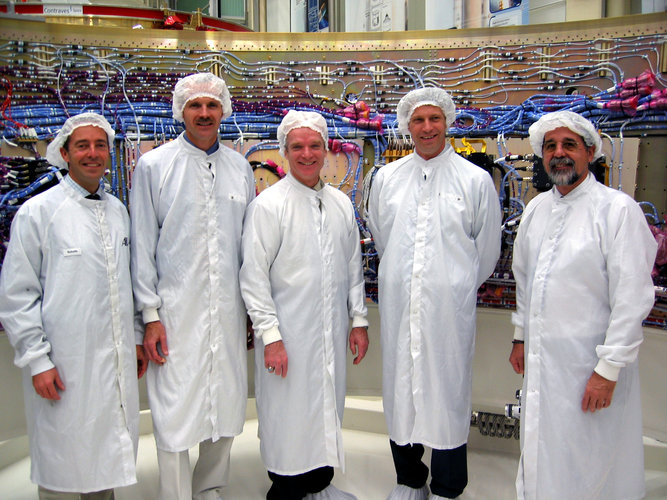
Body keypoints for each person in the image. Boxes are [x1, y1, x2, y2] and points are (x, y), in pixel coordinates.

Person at [508, 110, 657, 500]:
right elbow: (524, 278)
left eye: (569, 145)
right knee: (543, 447)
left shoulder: (617, 210)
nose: (559, 153)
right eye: (551, 146)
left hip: (590, 366)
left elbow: (633, 297)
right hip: (544, 364)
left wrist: (607, 370)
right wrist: (521, 336)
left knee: (591, 456)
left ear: (590, 152)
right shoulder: (537, 209)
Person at [0, 112, 146, 499]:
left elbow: (127, 284)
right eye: (82, 145)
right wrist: (37, 360)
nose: (93, 153)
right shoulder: (39, 213)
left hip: (112, 361)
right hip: (63, 364)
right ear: (64, 153)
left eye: (100, 145)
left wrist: (134, 336)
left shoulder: (117, 211)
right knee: (63, 457)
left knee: (104, 456)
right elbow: (17, 295)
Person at [367, 87, 502, 500]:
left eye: (434, 119)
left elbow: (487, 250)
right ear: (407, 125)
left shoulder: (475, 180)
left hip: (449, 310)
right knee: (400, 388)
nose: (427, 128)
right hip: (399, 306)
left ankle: (446, 486)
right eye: (419, 120)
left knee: (447, 392)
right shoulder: (386, 178)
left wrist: (452, 285)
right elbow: (381, 237)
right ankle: (409, 480)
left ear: (448, 122)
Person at [130, 72, 255, 500]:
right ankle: (177, 494)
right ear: (180, 110)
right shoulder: (154, 167)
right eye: (195, 106)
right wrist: (149, 316)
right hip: (173, 314)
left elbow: (249, 249)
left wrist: (252, 312)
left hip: (229, 310)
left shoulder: (240, 168)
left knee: (225, 401)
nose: (204, 113)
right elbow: (142, 246)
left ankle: (208, 489)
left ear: (224, 110)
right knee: (174, 407)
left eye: (212, 105)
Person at [240, 110, 369, 500]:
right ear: (284, 152)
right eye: (297, 147)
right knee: (289, 420)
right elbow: (253, 278)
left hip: (328, 334)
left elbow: (352, 266)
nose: (307, 154)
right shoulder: (269, 206)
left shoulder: (339, 204)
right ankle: (285, 492)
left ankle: (318, 487)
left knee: (325, 410)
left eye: (315, 145)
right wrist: (271, 337)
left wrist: (358, 320)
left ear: (327, 149)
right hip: (287, 338)